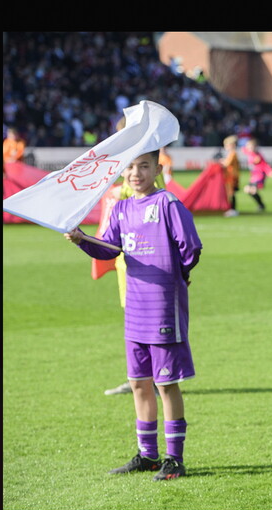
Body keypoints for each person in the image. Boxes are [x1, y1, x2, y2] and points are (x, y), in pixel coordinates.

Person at [65, 147, 202, 482]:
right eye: (129, 167)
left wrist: (176, 276)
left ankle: (174, 459)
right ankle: (148, 456)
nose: (135, 173)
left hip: (162, 306)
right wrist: (82, 239)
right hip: (135, 308)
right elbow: (108, 249)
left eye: (143, 166)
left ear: (157, 169)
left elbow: (191, 247)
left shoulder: (168, 204)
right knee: (139, 383)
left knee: (166, 384)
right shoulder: (122, 208)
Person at [104, 116, 168, 396]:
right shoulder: (124, 166)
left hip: (146, 257)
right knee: (132, 318)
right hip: (125, 258)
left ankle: (152, 379)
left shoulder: (145, 169)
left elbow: (153, 200)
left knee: (148, 319)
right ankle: (139, 376)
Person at [242, 137, 272, 212]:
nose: (248, 147)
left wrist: (269, 171)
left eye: (250, 146)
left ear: (255, 147)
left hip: (259, 175)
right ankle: (261, 205)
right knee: (247, 190)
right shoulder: (249, 153)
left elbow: (264, 164)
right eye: (248, 146)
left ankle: (261, 205)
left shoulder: (258, 156)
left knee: (252, 190)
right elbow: (244, 149)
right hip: (253, 176)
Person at [221, 135, 240, 217]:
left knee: (231, 193)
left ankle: (233, 209)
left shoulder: (233, 153)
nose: (225, 147)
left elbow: (227, 164)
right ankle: (232, 209)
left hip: (232, 177)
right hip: (231, 176)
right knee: (231, 193)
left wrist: (221, 162)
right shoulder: (231, 154)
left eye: (226, 145)